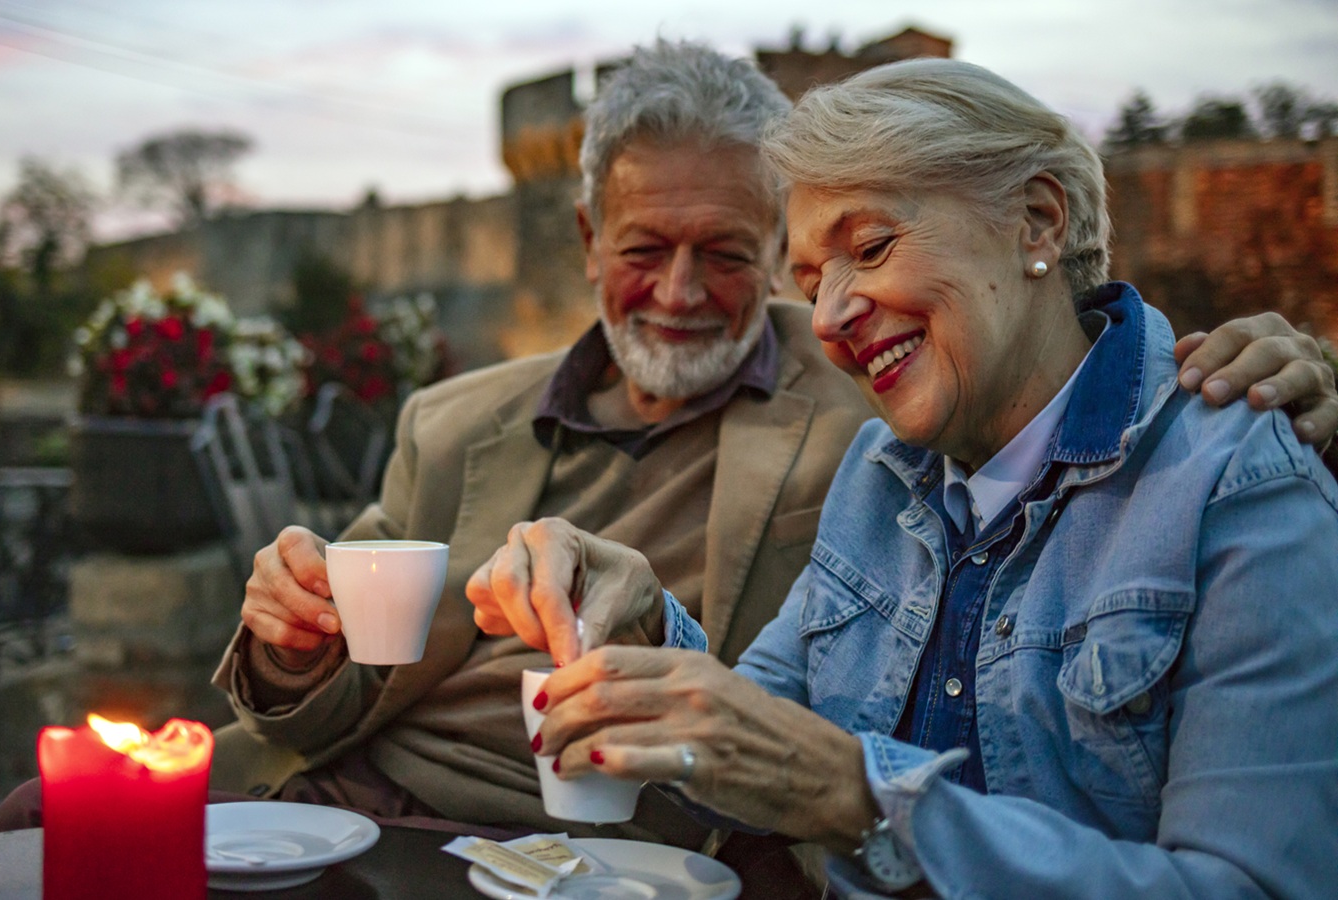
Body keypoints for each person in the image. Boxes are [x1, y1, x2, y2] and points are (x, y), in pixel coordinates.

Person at [208, 42, 1336, 848]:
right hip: (354, 810)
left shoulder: (1202, 467)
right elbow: (745, 718)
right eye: (810, 276)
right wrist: (641, 609)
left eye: (868, 245)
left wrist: (857, 791)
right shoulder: (886, 472)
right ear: (586, 240)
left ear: (1036, 221)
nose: (832, 312)